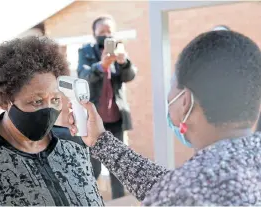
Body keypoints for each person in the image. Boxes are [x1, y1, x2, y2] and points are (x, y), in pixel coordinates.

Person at [70, 30, 261, 205]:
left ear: (185, 101)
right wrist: (100, 141)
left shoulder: (187, 193)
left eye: (172, 84)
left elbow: (177, 191)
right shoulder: (243, 161)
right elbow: (168, 184)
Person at [0, 37, 104, 206]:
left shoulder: (74, 143)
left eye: (55, 99)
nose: (48, 110)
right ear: (5, 101)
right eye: (37, 101)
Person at [77, 15, 137, 199]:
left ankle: (119, 202)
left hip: (116, 119)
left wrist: (124, 62)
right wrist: (101, 65)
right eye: (101, 31)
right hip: (93, 121)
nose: (105, 34)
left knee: (117, 168)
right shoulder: (86, 51)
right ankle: (88, 201)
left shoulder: (119, 50)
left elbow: (130, 76)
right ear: (94, 33)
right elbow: (82, 75)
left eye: (109, 31)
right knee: (92, 168)